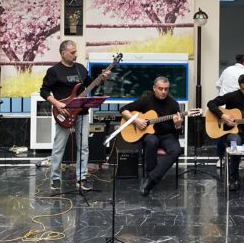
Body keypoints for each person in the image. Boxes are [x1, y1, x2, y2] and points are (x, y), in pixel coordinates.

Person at [40, 40, 109, 191]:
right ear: (63, 53)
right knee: (59, 147)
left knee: (83, 147)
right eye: (72, 52)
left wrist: (101, 79)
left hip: (82, 112)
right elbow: (44, 91)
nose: (75, 55)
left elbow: (92, 84)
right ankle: (55, 179)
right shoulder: (54, 71)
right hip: (63, 112)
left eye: (76, 51)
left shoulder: (81, 69)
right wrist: (57, 104)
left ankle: (82, 178)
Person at [120, 77, 183, 196]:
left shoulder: (174, 104)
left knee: (176, 150)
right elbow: (123, 110)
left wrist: (178, 124)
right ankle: (151, 174)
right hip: (150, 134)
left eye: (166, 89)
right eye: (160, 89)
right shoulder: (146, 100)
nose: (163, 92)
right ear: (154, 88)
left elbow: (178, 130)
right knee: (151, 141)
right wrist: (136, 120)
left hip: (167, 135)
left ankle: (151, 179)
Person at [215, 53, 244, 169]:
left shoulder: (227, 69)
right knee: (241, 130)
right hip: (237, 108)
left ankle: (220, 159)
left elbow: (218, 85)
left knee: (221, 132)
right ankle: (239, 159)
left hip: (222, 107)